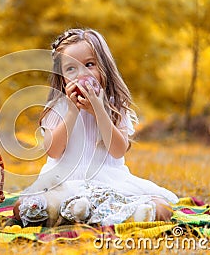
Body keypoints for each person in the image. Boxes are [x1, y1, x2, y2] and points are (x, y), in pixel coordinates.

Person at [13, 28, 178, 226]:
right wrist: (72, 112)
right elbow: (53, 150)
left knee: (163, 208)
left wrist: (99, 110)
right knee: (21, 206)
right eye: (71, 69)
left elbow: (117, 151)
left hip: (107, 183)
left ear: (104, 68)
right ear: (62, 76)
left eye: (89, 65)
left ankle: (113, 213)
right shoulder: (58, 107)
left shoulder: (114, 105)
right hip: (63, 183)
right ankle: (75, 210)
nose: (81, 74)